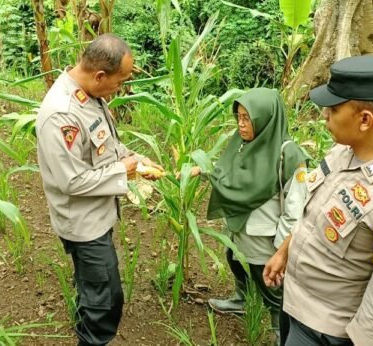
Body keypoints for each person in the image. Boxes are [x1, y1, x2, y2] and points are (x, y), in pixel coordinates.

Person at [262, 55, 373, 346]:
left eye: (332, 108)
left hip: (324, 328)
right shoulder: (343, 152)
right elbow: (313, 213)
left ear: (365, 119)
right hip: (293, 298)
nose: (324, 115)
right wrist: (284, 251)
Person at [35, 34, 164, 346]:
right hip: (83, 225)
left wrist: (137, 160)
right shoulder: (62, 114)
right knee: (105, 300)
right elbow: (71, 181)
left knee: (94, 290)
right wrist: (124, 171)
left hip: (98, 215)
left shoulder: (88, 95)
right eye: (120, 82)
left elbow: (107, 145)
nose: (120, 88)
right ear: (100, 75)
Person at [191, 88, 308, 344]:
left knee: (269, 283)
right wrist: (201, 171)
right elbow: (229, 175)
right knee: (234, 260)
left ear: (265, 118)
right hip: (239, 225)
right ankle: (241, 299)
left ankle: (280, 330)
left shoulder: (288, 154)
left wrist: (282, 248)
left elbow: (296, 208)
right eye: (239, 118)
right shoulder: (242, 144)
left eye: (248, 119)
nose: (241, 125)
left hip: (264, 234)